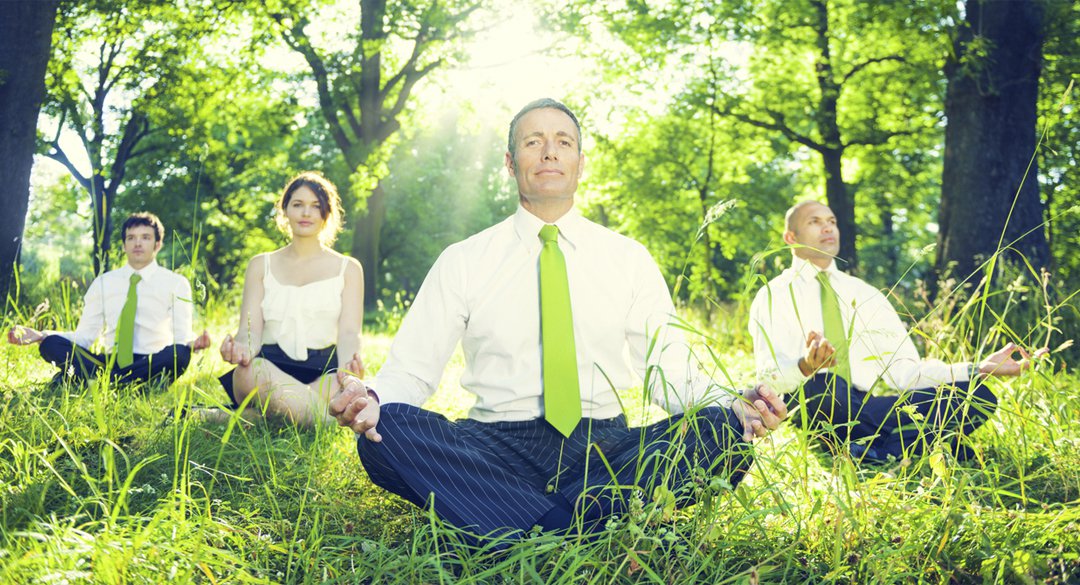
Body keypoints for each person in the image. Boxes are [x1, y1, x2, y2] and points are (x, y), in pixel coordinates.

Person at [328, 98, 787, 542]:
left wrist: (735, 403)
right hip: (493, 448)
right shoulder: (463, 260)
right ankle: (589, 524)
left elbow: (673, 374)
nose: (549, 150)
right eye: (533, 141)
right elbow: (412, 370)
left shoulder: (629, 259)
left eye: (563, 141)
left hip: (607, 449)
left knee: (722, 430)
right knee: (385, 431)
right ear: (510, 163)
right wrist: (370, 398)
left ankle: (518, 522)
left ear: (580, 163)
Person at [748, 200, 1048, 462]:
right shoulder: (773, 294)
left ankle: (874, 450)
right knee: (825, 386)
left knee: (978, 397)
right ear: (791, 237)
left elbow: (906, 373)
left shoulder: (865, 294)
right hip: (815, 407)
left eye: (832, 222)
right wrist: (805, 366)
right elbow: (767, 377)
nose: (828, 228)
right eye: (815, 222)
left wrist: (978, 368)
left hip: (872, 406)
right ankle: (915, 443)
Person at [217, 171, 364, 427]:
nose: (306, 213)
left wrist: (348, 374)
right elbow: (248, 332)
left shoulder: (348, 268)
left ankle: (233, 418)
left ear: (326, 214)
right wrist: (238, 350)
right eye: (298, 204)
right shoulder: (260, 265)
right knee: (250, 372)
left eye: (315, 206)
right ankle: (319, 418)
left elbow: (350, 333)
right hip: (266, 369)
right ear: (284, 210)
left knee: (338, 388)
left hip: (324, 372)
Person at [8, 212, 211, 387]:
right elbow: (85, 337)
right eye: (131, 237)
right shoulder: (104, 283)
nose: (137, 243)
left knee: (180, 354)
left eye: (145, 237)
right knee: (51, 344)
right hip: (108, 362)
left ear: (157, 244)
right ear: (123, 245)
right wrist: (40, 335)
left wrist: (194, 343)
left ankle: (98, 382)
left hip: (152, 363)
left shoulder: (176, 283)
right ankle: (122, 383)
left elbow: (181, 336)